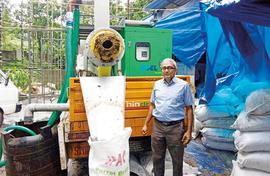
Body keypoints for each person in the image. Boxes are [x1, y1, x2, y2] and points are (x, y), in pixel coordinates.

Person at [142, 58, 194, 176]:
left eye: (169, 68)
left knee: (177, 160)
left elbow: (189, 108)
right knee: (157, 158)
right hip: (158, 127)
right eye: (164, 68)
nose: (166, 70)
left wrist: (189, 131)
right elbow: (152, 105)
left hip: (175, 128)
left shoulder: (183, 86)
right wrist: (146, 123)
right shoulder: (157, 85)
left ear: (175, 70)